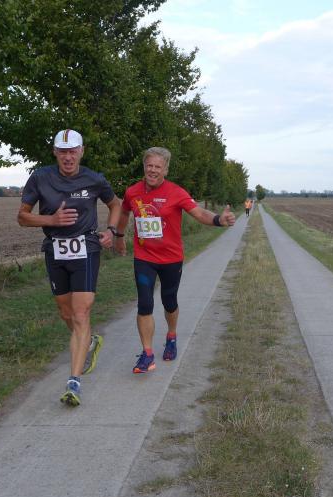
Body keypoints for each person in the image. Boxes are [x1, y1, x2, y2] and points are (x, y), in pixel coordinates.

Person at [18, 129, 122, 406]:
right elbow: (22, 217)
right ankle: (89, 341)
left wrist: (112, 230)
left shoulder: (94, 179)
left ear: (81, 151)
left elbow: (115, 204)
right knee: (66, 312)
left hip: (86, 248)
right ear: (55, 152)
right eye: (62, 151)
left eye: (72, 151)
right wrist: (51, 220)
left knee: (80, 312)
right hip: (55, 250)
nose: (68, 157)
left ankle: (74, 382)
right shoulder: (40, 177)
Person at [113, 147, 235, 374]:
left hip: (171, 258)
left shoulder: (176, 192)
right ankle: (147, 354)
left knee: (169, 301)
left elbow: (199, 213)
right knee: (145, 303)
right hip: (144, 257)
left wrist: (219, 219)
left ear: (166, 170)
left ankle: (171, 336)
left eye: (158, 167)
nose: (153, 170)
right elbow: (124, 213)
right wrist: (119, 237)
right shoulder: (132, 192)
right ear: (144, 167)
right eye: (149, 165)